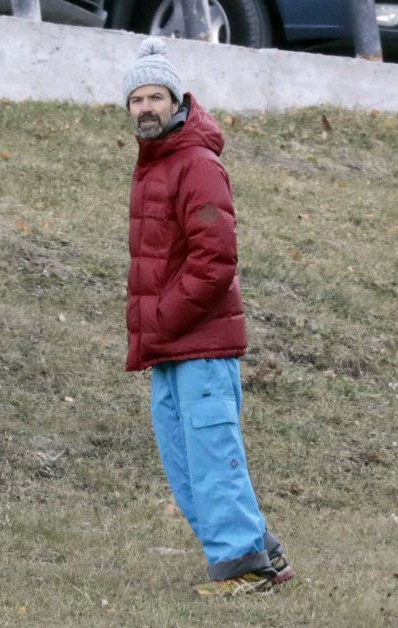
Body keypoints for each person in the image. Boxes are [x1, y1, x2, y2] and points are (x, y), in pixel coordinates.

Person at [122, 37, 292, 597]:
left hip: (198, 342)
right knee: (186, 462)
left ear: (176, 101)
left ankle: (243, 567)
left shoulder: (196, 163)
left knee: (212, 457)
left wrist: (165, 318)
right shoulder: (156, 164)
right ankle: (260, 551)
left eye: (156, 97)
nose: (146, 107)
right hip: (171, 344)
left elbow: (215, 260)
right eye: (137, 99)